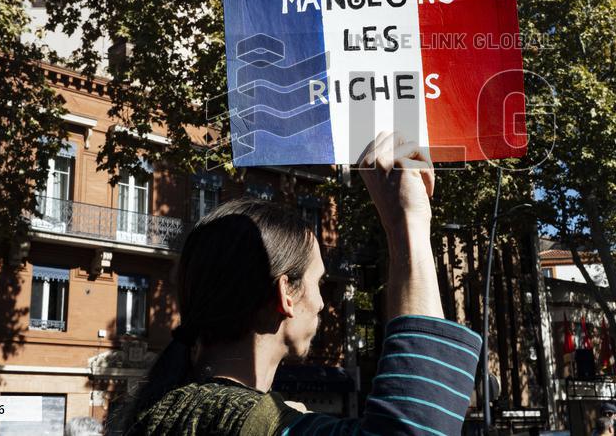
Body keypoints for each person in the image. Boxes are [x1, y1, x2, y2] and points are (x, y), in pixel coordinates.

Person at [112, 131, 483, 435]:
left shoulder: (164, 413)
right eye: (317, 283)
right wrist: (408, 225)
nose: (323, 304)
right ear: (284, 294)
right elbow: (416, 428)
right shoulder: (249, 424)